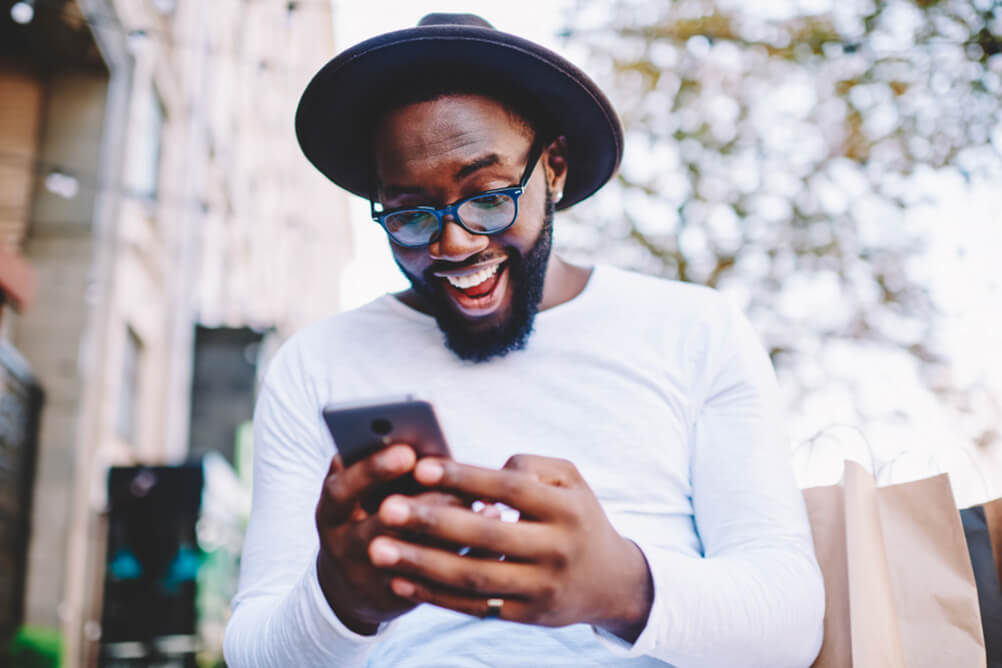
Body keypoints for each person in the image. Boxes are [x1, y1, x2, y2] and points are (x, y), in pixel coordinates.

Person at [223, 13, 825, 668]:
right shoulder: (315, 365)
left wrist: (622, 587)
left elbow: (792, 622)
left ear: (554, 169)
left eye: (487, 196)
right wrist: (342, 604)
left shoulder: (697, 331)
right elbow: (252, 650)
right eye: (410, 214)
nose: (454, 244)